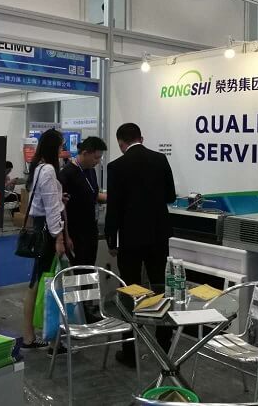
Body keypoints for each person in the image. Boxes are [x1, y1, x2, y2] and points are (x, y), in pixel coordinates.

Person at [105, 123, 177, 367]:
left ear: (120, 143)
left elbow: (114, 208)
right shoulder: (160, 160)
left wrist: (111, 239)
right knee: (160, 288)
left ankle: (129, 351)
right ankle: (164, 344)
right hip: (158, 236)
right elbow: (171, 196)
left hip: (130, 239)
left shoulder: (116, 166)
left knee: (130, 290)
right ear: (141, 138)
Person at [20, 129, 73, 351]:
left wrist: (59, 198)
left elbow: (46, 201)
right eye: (60, 146)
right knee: (49, 283)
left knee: (37, 282)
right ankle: (50, 338)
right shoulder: (49, 170)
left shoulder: (38, 168)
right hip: (49, 233)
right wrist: (59, 238)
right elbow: (52, 210)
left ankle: (30, 336)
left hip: (42, 229)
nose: (62, 150)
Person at [58, 137, 107, 269]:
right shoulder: (67, 174)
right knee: (79, 271)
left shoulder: (91, 170)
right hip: (75, 232)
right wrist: (65, 237)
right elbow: (61, 208)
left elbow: (93, 194)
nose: (98, 161)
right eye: (96, 158)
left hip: (91, 229)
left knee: (90, 268)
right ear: (85, 153)